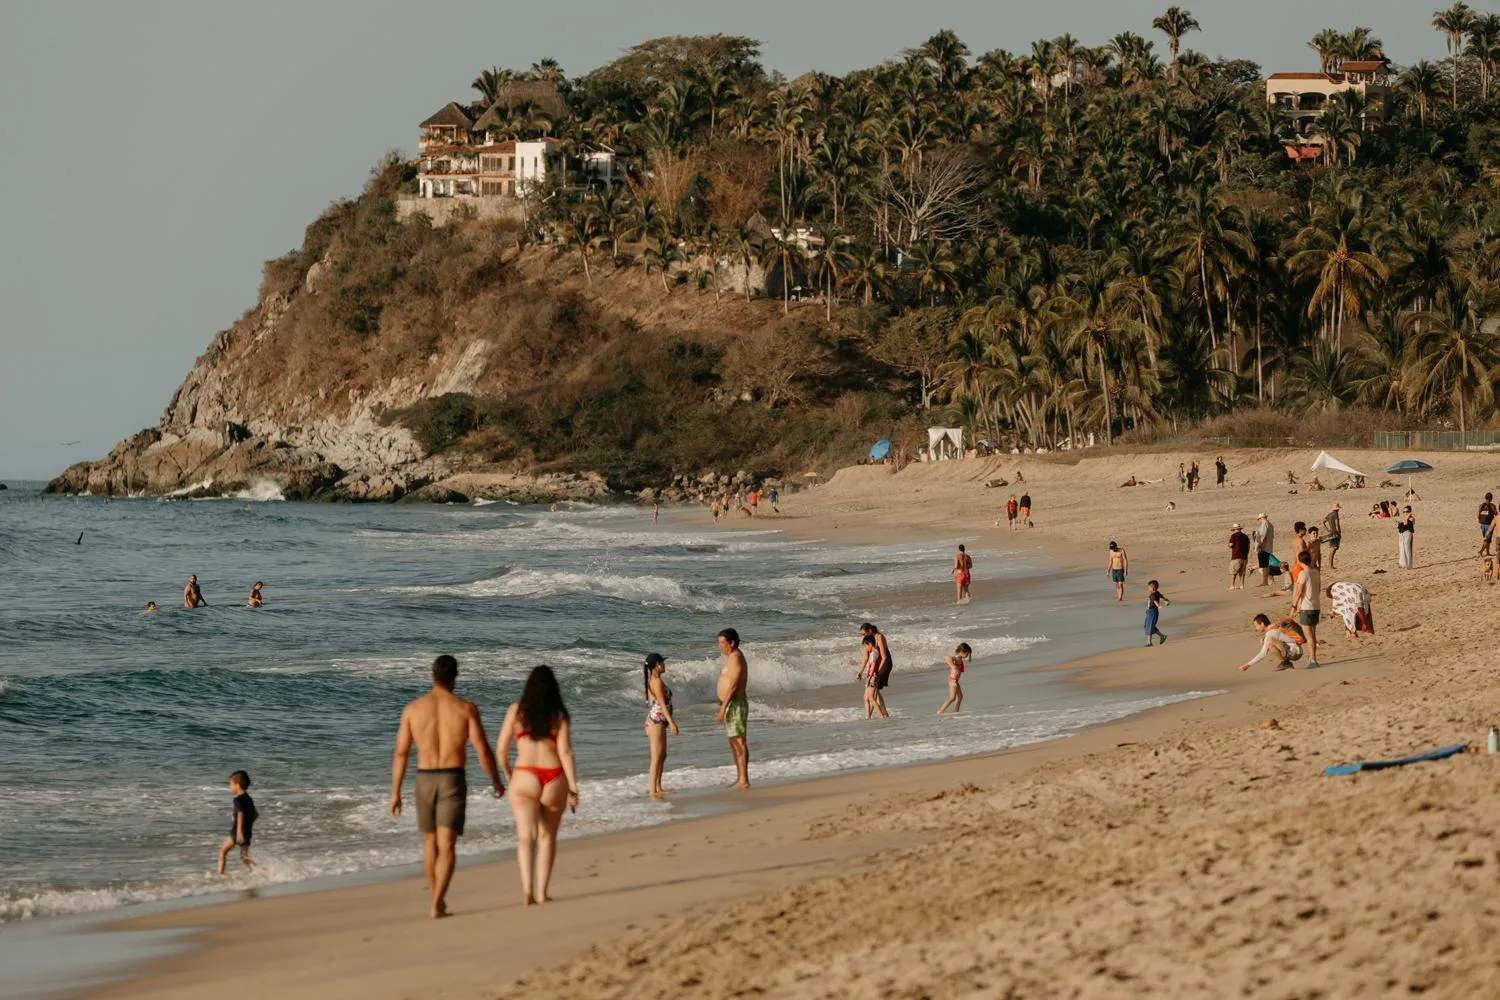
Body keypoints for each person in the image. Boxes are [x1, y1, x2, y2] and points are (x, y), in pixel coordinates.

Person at [389, 655, 505, 919]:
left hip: (424, 778)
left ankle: (436, 899)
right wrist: (496, 780)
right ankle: (438, 901)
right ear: (455, 676)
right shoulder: (465, 708)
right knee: (448, 844)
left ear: (432, 675)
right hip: (452, 777)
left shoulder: (412, 710)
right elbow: (483, 750)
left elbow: (401, 753)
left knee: (430, 842)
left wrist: (395, 792)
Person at [495, 665, 578, 905]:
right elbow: (566, 752)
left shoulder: (516, 711)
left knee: (525, 837)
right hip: (553, 777)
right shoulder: (559, 715)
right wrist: (573, 787)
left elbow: (501, 751)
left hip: (524, 775)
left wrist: (511, 777)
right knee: (548, 837)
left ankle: (527, 890)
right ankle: (543, 893)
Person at [715, 628, 750, 788]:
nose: (720, 646)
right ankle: (740, 777)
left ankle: (744, 779)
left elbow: (734, 685)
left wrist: (723, 708)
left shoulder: (736, 657)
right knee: (733, 741)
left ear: (732, 643)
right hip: (729, 704)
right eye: (719, 642)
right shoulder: (730, 657)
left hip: (735, 704)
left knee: (739, 740)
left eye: (723, 642)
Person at [643, 653, 679, 799]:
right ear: (657, 665)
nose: (664, 665)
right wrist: (672, 723)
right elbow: (662, 705)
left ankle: (658, 787)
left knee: (662, 755)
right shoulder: (656, 682)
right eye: (663, 663)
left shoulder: (657, 680)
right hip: (656, 721)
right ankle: (653, 791)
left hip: (659, 721)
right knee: (656, 758)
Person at [216, 770, 258, 876]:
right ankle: (258, 871)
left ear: (237, 785)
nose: (229, 787)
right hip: (247, 831)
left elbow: (240, 814)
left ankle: (219, 876)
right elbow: (256, 814)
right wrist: (248, 825)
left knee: (222, 851)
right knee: (244, 857)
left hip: (236, 832)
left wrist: (239, 831)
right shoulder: (249, 798)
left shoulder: (237, 800)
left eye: (230, 784)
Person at [1238, 614, 1306, 671]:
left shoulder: (1270, 633)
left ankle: (1286, 662)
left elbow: (1263, 653)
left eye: (1256, 626)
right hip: (1297, 651)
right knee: (1269, 642)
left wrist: (1247, 665)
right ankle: (1286, 662)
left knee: (1270, 644)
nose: (1256, 628)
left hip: (1294, 653)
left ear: (1262, 624)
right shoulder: (1275, 627)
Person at [1289, 551, 1321, 668]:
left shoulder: (1303, 573)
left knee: (1309, 636)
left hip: (1306, 607)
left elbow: (1299, 591)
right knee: (1312, 634)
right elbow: (1319, 589)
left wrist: (1293, 606)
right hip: (1316, 606)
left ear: (1300, 561)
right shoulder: (1316, 573)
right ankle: (1312, 658)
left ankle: (1313, 660)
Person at [859, 622, 893, 716]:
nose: (863, 636)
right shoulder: (867, 641)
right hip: (875, 664)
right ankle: (883, 713)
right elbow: (865, 657)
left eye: (864, 634)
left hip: (884, 663)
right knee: (875, 690)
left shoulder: (879, 637)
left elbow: (884, 657)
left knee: (875, 688)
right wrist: (860, 672)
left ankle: (881, 714)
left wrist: (877, 672)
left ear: (869, 631)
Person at [936, 643, 972, 715]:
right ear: (962, 651)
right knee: (952, 698)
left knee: (960, 696)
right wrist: (952, 666)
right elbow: (946, 657)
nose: (967, 656)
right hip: (952, 680)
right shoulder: (955, 658)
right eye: (967, 654)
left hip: (956, 681)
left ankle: (956, 711)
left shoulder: (960, 659)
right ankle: (940, 711)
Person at [857, 634, 884, 719]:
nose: (865, 648)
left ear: (870, 644)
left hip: (872, 678)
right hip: (871, 677)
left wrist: (869, 679)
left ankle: (881, 716)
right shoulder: (874, 653)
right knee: (865, 698)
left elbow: (873, 667)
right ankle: (868, 716)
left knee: (871, 698)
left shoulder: (873, 654)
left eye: (865, 646)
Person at [1144, 580, 1170, 646]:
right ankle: (1162, 636)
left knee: (1149, 626)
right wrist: (1165, 599)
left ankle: (1149, 643)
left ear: (1152, 588)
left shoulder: (1152, 595)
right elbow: (1161, 595)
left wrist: (1158, 606)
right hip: (1150, 612)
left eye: (1149, 587)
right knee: (1147, 625)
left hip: (1152, 612)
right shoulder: (1157, 593)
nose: (1148, 589)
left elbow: (1155, 601)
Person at [1253, 514, 1275, 587]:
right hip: (1268, 547)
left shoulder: (1264, 524)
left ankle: (1264, 582)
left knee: (1263, 565)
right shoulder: (1270, 525)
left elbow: (1262, 536)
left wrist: (1259, 546)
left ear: (1261, 518)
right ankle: (1266, 581)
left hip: (1263, 548)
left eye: (1259, 519)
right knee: (1265, 565)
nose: (1259, 521)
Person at [1228, 523, 1250, 590]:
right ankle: (1242, 585)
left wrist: (1229, 545)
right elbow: (1248, 546)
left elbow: (1231, 544)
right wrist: (1246, 554)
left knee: (1233, 572)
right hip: (1244, 556)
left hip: (1236, 556)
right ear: (1240, 529)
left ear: (1234, 529)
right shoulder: (1245, 536)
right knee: (1242, 572)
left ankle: (1232, 585)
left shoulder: (1233, 536)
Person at [1322, 504, 1343, 570]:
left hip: (1331, 532)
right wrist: (1339, 533)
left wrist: (1327, 529)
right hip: (1335, 533)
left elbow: (1323, 521)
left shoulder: (1329, 514)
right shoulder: (1335, 514)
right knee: (1334, 548)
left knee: (1333, 548)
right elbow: (1337, 524)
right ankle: (1331, 565)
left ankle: (1331, 565)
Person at [1397, 505, 1416, 569]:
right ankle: (1402, 563)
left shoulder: (1411, 518)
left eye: (1407, 511)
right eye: (1404, 511)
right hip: (1401, 534)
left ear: (1410, 511)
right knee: (1401, 548)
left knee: (1407, 549)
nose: (1405, 513)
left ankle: (1408, 565)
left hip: (1407, 534)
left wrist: (1408, 516)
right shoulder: (1405, 518)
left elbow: (1406, 524)